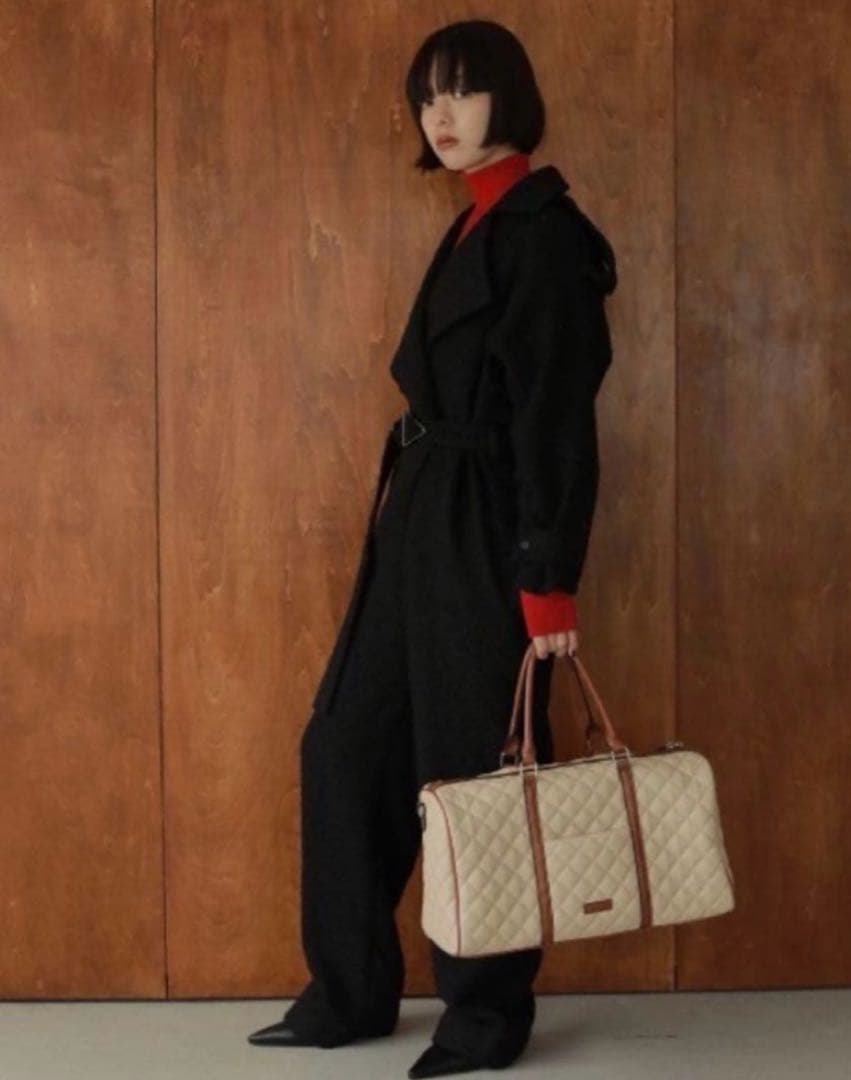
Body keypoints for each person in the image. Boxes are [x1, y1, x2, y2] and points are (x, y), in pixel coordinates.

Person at [248, 18, 618, 1079]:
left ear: (511, 97)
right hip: (420, 512)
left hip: (486, 526)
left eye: (461, 91)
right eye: (426, 97)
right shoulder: (474, 224)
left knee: (476, 768)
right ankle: (351, 990)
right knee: (345, 742)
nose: (440, 115)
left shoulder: (545, 235)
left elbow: (556, 420)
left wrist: (548, 583)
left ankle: (485, 1016)